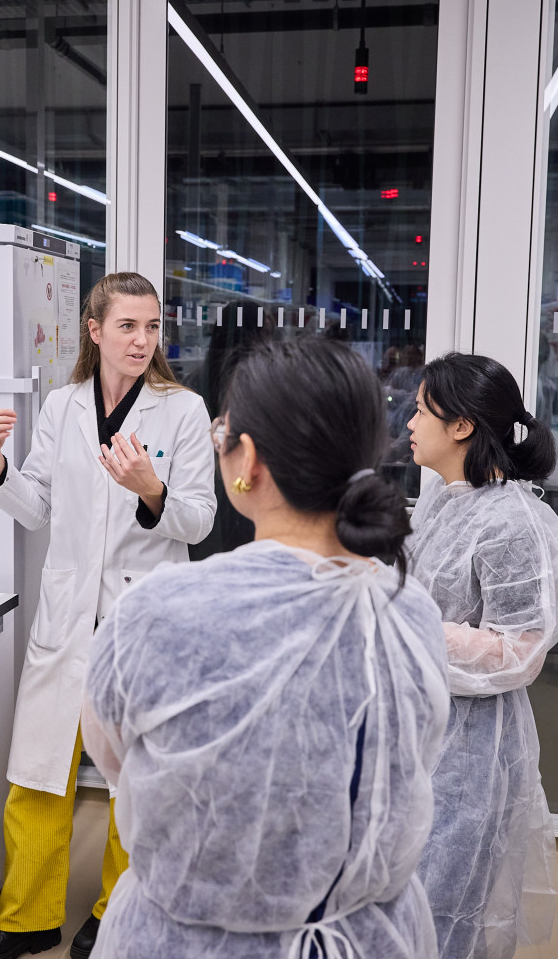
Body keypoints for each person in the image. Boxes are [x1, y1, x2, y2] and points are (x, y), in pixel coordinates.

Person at [81, 337, 453, 959]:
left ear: (245, 459)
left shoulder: (156, 613)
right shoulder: (406, 607)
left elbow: (120, 762)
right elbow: (411, 758)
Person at [0, 272, 216, 959]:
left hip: (143, 622)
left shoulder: (183, 411)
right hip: (69, 615)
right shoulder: (63, 406)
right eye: (128, 327)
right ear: (95, 330)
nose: (142, 340)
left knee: (133, 780)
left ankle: (116, 916)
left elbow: (198, 523)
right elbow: (38, 507)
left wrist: (151, 491)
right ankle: (26, 918)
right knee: (39, 770)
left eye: (153, 327)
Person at [404, 352, 558, 959]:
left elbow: (520, 650)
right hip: (423, 728)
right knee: (403, 903)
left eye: (422, 410)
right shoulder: (445, 501)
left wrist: (409, 623)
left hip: (469, 752)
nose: (410, 423)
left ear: (461, 427)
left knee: (443, 911)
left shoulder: (512, 523)